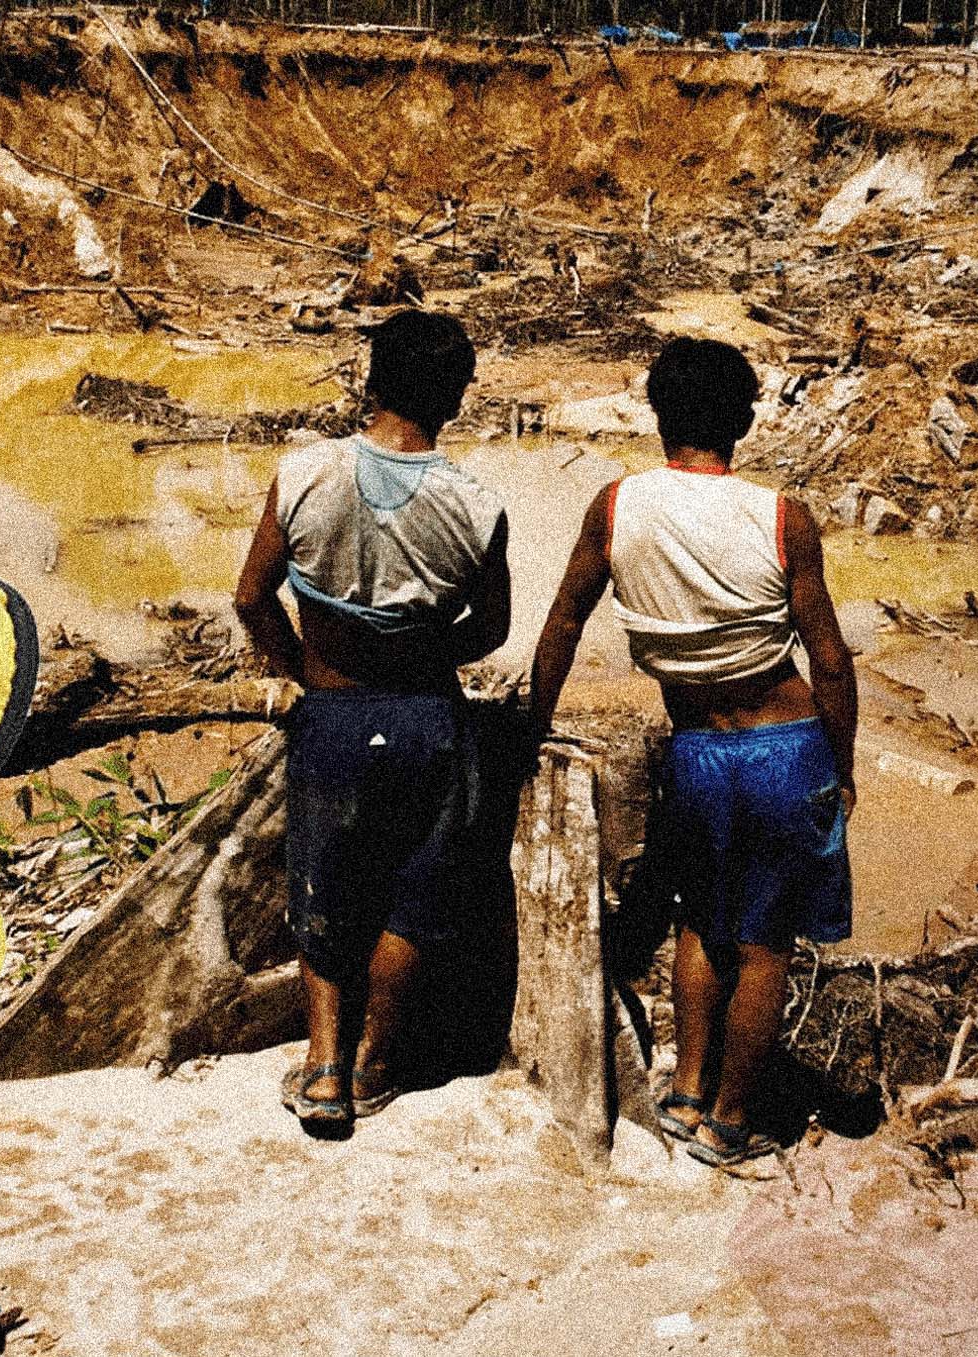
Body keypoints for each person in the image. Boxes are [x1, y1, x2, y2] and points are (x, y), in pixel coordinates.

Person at [525, 336, 858, 1168]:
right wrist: (841, 766)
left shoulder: (616, 506)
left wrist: (532, 725)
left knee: (701, 926)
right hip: (786, 747)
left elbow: (562, 624)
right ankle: (732, 1117)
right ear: (743, 419)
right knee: (766, 941)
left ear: (659, 415)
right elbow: (829, 656)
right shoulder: (782, 515)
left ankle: (685, 1093)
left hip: (698, 753)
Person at [231, 309, 511, 1134]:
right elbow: (490, 629)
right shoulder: (477, 505)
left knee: (328, 883)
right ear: (457, 398)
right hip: (429, 719)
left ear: (370, 381)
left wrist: (298, 668)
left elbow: (251, 596)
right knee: (415, 895)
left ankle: (322, 1069)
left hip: (333, 715)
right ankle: (377, 1061)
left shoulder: (304, 474)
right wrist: (416, 654)